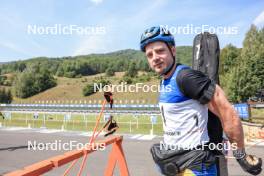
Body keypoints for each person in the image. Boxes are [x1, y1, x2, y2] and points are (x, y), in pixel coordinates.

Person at [140, 26, 262, 176]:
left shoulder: (186, 78)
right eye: (149, 54)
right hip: (177, 164)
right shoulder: (165, 80)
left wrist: (240, 154)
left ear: (172, 50)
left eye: (160, 51)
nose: (155, 58)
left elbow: (227, 112)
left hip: (197, 168)